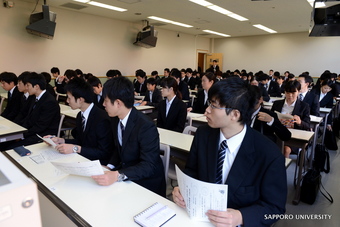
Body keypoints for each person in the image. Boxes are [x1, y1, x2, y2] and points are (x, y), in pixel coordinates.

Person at [172, 77, 287, 227]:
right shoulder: (203, 135)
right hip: (200, 218)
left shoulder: (269, 154)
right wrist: (182, 189)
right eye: (209, 103)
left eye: (213, 105)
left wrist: (240, 217)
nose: (207, 110)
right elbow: (192, 171)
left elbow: (275, 207)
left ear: (235, 114)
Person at [91, 76, 166, 197]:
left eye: (105, 100)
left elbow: (148, 166)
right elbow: (119, 147)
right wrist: (109, 167)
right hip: (127, 175)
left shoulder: (145, 126)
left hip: (146, 183)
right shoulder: (115, 119)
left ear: (118, 103)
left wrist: (118, 174)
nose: (103, 104)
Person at [45, 77, 113, 165]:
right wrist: (62, 140)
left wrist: (75, 148)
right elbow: (81, 142)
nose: (67, 101)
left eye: (69, 98)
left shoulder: (102, 119)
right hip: (83, 158)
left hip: (97, 164)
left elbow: (104, 152)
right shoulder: (80, 116)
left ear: (81, 99)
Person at [0, 72, 60, 151]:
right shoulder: (34, 98)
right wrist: (19, 132)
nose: (27, 88)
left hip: (43, 135)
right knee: (3, 143)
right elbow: (28, 119)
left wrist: (22, 135)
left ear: (36, 87)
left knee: (10, 147)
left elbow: (41, 126)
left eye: (28, 85)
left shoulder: (49, 102)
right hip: (32, 132)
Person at [271, 80, 311, 158]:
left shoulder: (304, 106)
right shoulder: (277, 103)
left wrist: (299, 122)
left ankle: (282, 168)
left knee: (285, 150)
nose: (290, 95)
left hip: (293, 136)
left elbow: (307, 125)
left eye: (293, 93)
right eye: (287, 92)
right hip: (277, 133)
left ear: (299, 92)